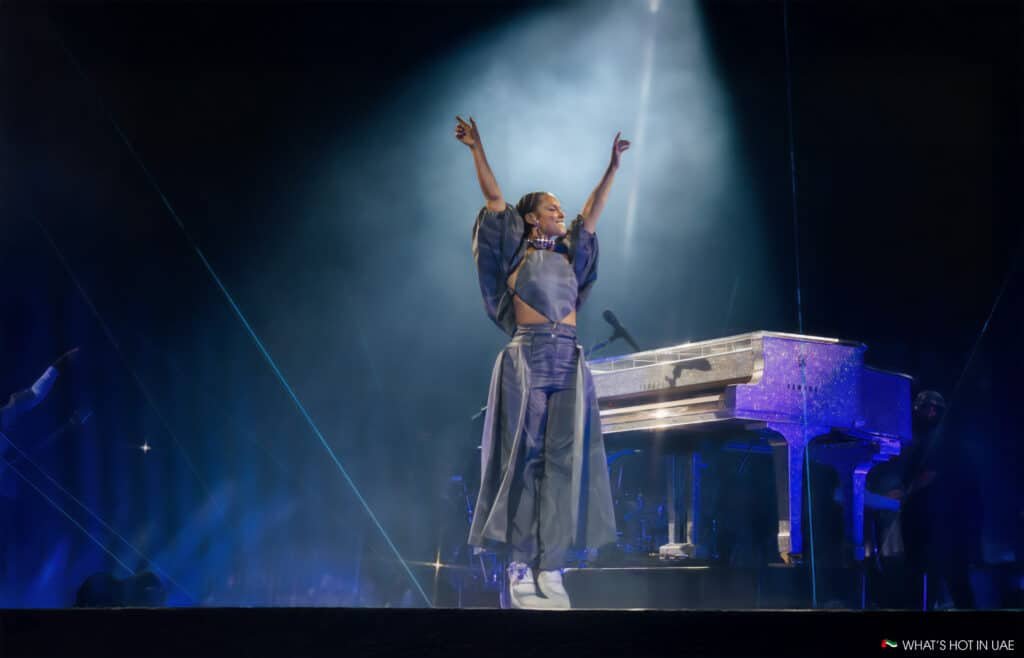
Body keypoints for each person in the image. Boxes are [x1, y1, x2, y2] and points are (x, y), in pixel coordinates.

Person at [456, 116, 627, 609]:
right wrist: (477, 149)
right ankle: (518, 564)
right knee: (523, 461)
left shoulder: (571, 253)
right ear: (532, 218)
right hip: (527, 355)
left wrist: (611, 168)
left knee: (561, 465)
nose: (561, 211)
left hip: (568, 360)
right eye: (552, 208)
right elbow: (494, 200)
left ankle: (551, 566)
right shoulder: (513, 249)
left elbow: (592, 213)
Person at [867, 390, 979, 608]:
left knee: (939, 573)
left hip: (937, 519)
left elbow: (929, 475)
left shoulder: (938, 438)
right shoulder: (929, 438)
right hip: (936, 518)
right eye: (921, 409)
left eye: (930, 409)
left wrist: (903, 494)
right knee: (943, 574)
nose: (924, 414)